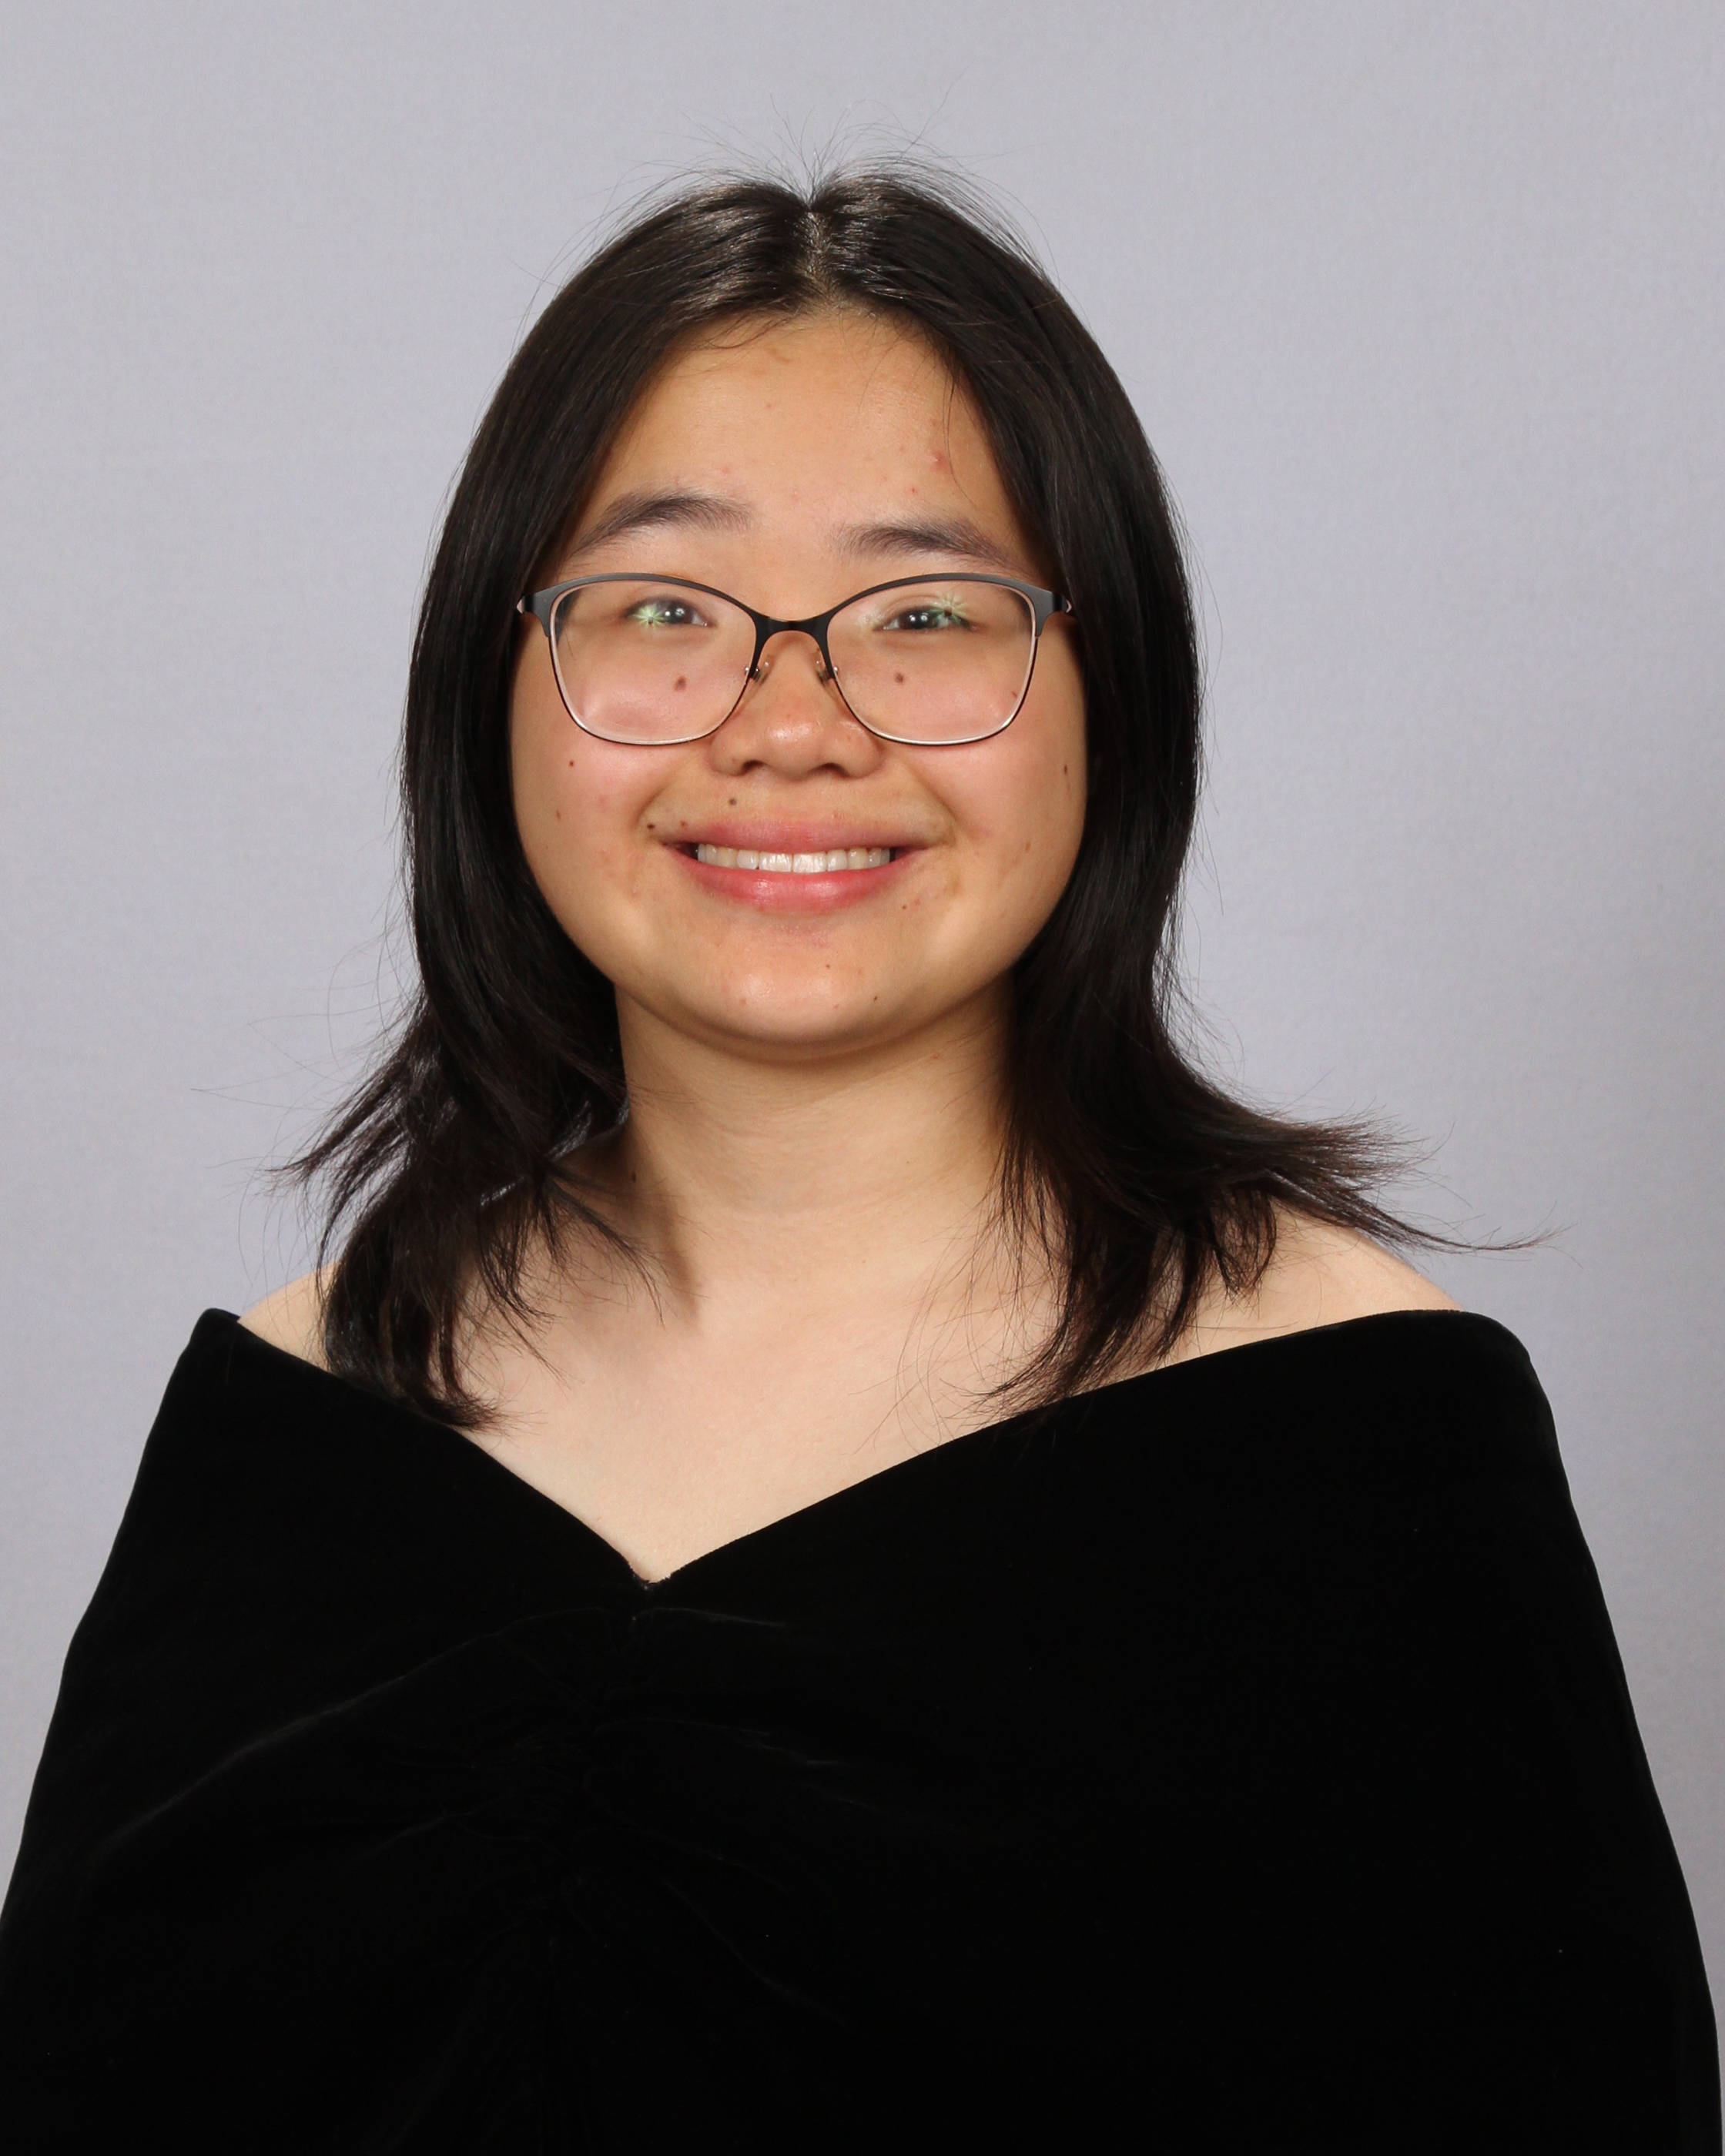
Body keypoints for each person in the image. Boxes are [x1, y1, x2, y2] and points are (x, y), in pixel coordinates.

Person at [0, 169, 1714, 2153]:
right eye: (663, 610)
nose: (791, 724)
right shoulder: (303, 1420)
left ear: (1112, 700)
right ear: (496, 690)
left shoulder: (1356, 1448)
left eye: (926, 616)